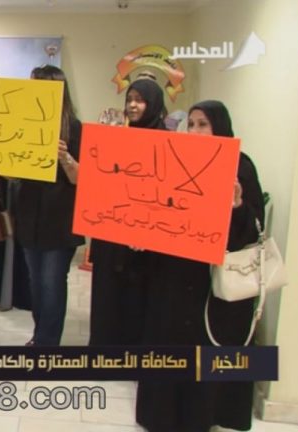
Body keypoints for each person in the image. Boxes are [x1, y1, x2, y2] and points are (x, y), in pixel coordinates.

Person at [136, 100, 263, 432]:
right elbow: (158, 209)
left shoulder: (240, 166)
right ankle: (162, 415)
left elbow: (253, 231)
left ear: (220, 126)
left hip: (211, 282)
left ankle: (203, 416)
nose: (194, 131)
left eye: (203, 124)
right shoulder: (175, 161)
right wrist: (141, 234)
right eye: (190, 124)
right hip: (175, 276)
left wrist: (237, 205)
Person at [88, 78, 166, 346]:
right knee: (107, 300)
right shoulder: (117, 136)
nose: (132, 105)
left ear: (153, 104)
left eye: (140, 100)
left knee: (136, 305)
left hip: (144, 244)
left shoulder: (168, 142)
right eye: (129, 99)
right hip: (111, 237)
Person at [16, 65, 84, 346]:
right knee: (35, 282)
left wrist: (64, 157)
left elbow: (80, 178)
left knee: (52, 282)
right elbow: (15, 172)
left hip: (60, 218)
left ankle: (47, 343)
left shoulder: (74, 127)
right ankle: (39, 335)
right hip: (29, 215)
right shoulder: (23, 123)